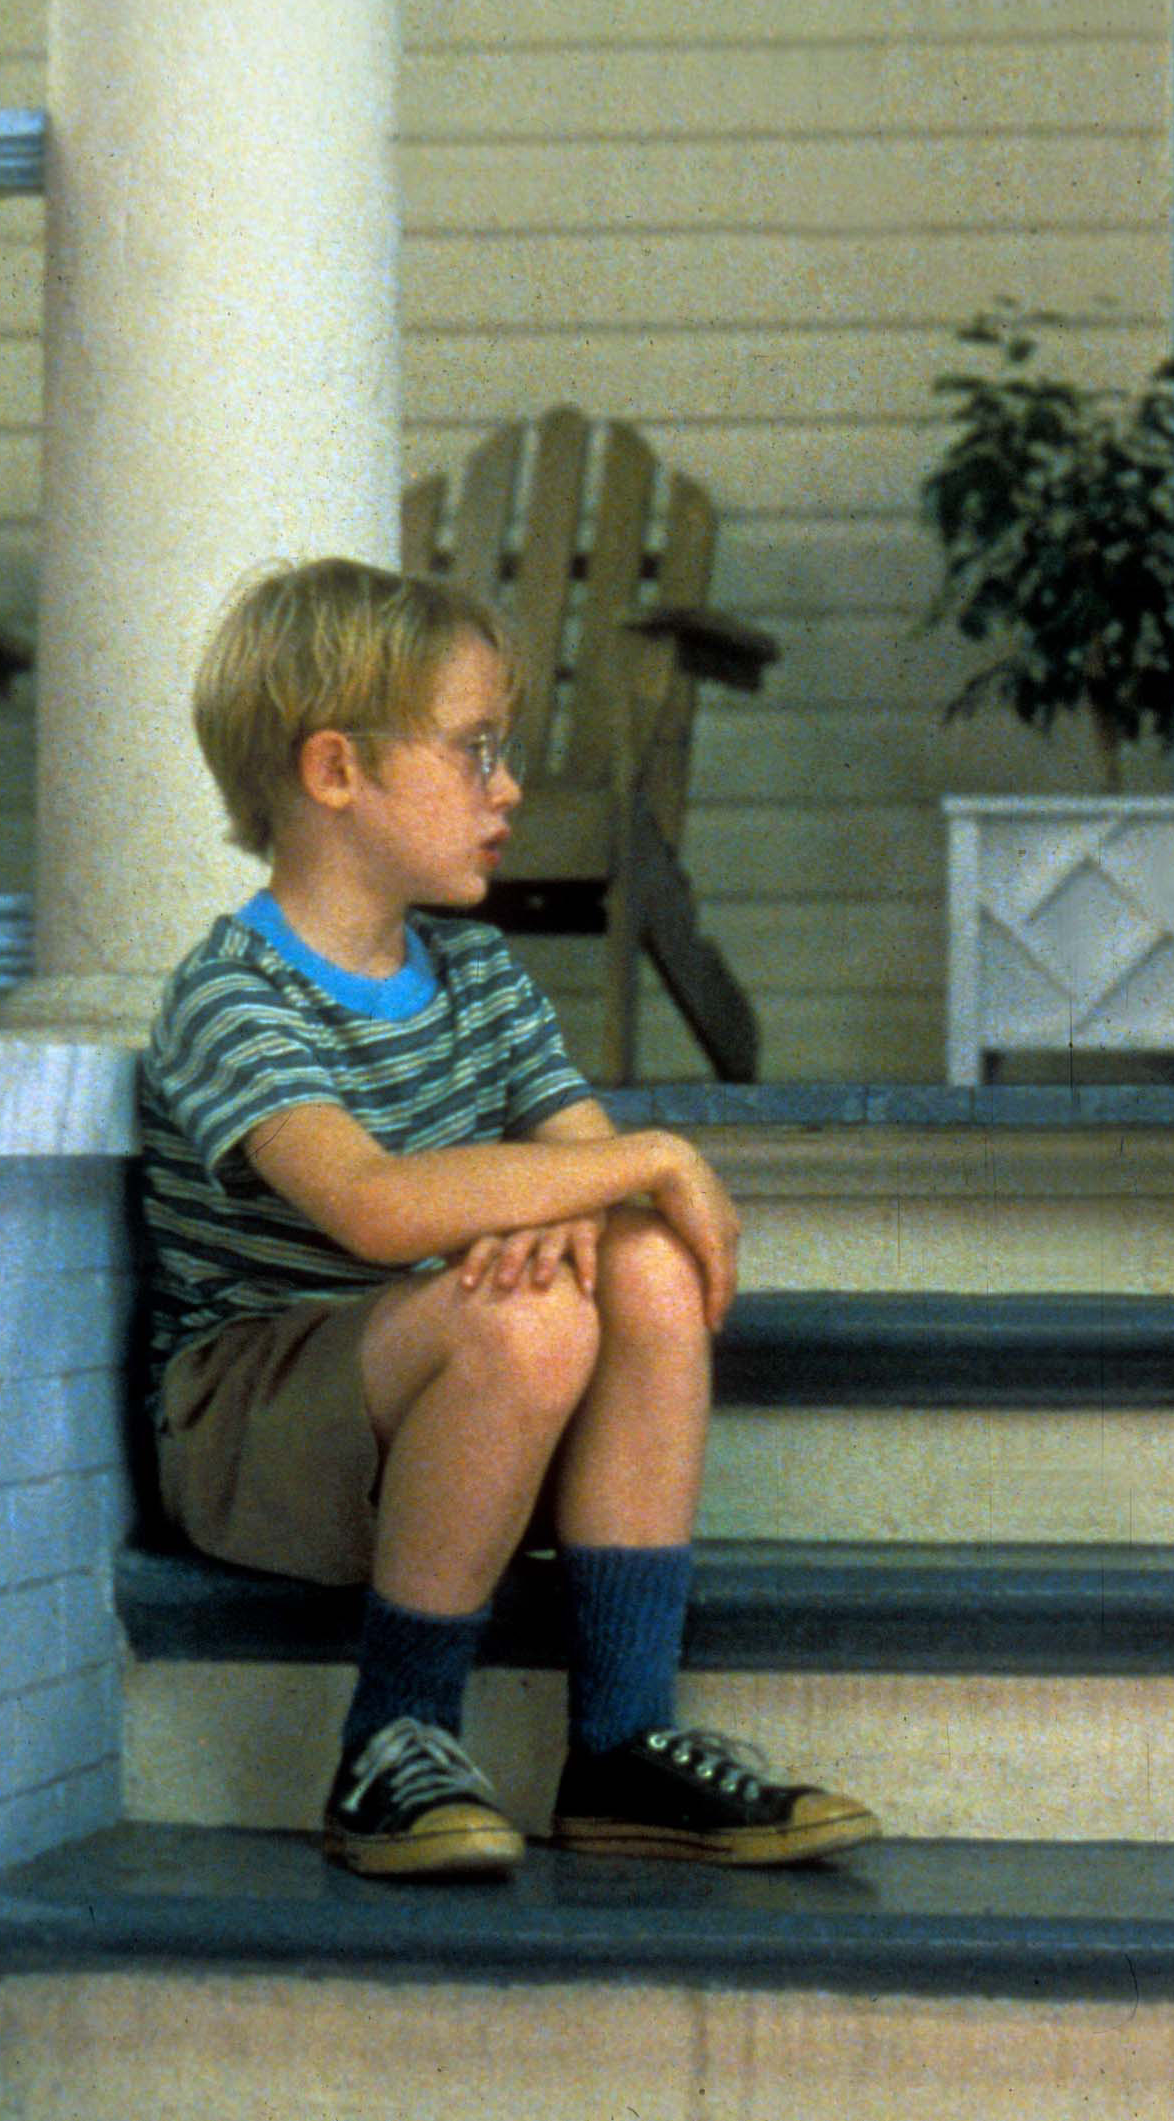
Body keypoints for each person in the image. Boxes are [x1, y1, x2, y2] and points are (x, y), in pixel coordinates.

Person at [134, 556, 875, 1879]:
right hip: (256, 1431)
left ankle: (622, 1745)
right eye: (474, 749)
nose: (510, 787)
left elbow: (595, 1176)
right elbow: (372, 1206)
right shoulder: (234, 996)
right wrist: (642, 1158)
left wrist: (596, 1194)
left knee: (644, 1266)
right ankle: (392, 1738)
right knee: (531, 1312)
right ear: (336, 771)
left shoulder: (475, 972)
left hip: (450, 1400)